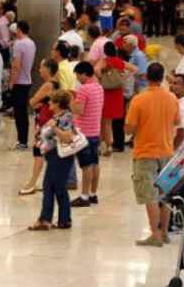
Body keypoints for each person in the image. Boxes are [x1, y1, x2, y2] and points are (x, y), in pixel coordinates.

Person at [126, 63, 180, 247]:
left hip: (145, 152)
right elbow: (177, 122)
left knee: (150, 195)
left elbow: (129, 128)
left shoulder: (139, 100)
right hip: (166, 151)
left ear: (147, 77)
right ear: (162, 76)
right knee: (164, 194)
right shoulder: (172, 98)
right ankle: (164, 232)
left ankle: (154, 234)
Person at [29, 89, 77, 231]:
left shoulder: (65, 117)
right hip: (53, 156)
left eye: (51, 101)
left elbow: (67, 137)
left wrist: (54, 128)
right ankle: (59, 220)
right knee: (51, 187)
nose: (48, 103)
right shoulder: (58, 116)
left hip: (60, 157)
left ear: (58, 104)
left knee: (56, 187)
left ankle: (49, 219)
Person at [20, 59, 61, 196]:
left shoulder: (48, 85)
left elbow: (32, 101)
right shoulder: (57, 83)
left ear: (48, 69)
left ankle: (32, 183)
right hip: (49, 120)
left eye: (41, 67)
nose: (39, 70)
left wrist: (38, 103)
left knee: (38, 152)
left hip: (44, 122)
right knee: (46, 153)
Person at [70, 62, 104, 208]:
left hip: (84, 132)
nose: (77, 78)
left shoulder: (84, 89)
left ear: (84, 73)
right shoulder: (99, 87)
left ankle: (83, 196)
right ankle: (92, 194)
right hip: (95, 130)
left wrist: (71, 100)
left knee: (86, 165)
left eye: (78, 75)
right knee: (95, 163)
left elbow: (79, 110)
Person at [96, 42, 135, 156]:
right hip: (117, 93)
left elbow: (96, 70)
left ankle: (106, 145)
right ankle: (108, 145)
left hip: (106, 93)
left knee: (104, 122)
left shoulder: (103, 61)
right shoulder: (120, 61)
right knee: (110, 121)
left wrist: (101, 78)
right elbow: (134, 69)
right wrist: (123, 78)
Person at [9, 21, 37, 149]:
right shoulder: (32, 43)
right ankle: (23, 139)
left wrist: (11, 82)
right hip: (27, 80)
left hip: (19, 82)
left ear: (19, 30)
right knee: (23, 112)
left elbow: (16, 65)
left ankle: (22, 141)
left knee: (19, 113)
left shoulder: (18, 44)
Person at [170, 74, 184, 148]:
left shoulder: (182, 108)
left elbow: (181, 134)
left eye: (176, 84)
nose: (171, 86)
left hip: (178, 150)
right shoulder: (176, 103)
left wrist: (171, 151)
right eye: (171, 83)